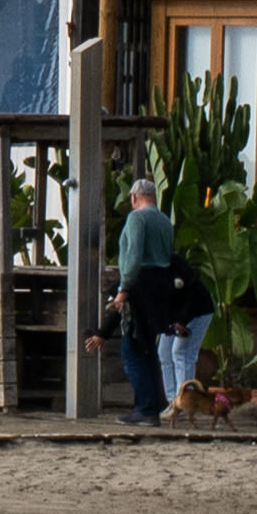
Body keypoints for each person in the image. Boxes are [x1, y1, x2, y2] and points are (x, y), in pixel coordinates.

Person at [105, 176, 176, 425]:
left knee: (132, 349)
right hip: (161, 284)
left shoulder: (137, 218)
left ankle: (145, 408)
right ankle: (152, 407)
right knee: (148, 350)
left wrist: (124, 288)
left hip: (140, 284)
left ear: (134, 197)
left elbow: (133, 255)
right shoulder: (165, 221)